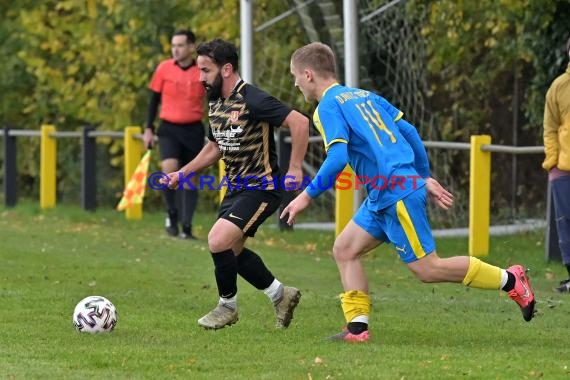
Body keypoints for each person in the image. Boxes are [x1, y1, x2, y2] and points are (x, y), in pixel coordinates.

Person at [281, 42, 536, 342]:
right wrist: (423, 176)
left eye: (295, 76)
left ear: (308, 74)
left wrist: (305, 197)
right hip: (384, 194)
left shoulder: (326, 107)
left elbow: (337, 158)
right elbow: (410, 132)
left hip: (396, 193)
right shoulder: (365, 96)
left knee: (428, 269)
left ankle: (510, 279)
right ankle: (357, 329)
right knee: (345, 248)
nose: (296, 83)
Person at [164, 38, 310, 329]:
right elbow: (215, 146)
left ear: (226, 69)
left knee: (218, 240)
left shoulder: (252, 98)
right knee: (231, 253)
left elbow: (300, 122)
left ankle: (227, 306)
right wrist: (183, 173)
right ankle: (280, 295)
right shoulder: (217, 101)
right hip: (235, 189)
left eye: (205, 70)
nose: (200, 77)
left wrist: (295, 167)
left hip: (262, 187)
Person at [143, 29, 206, 239]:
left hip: (193, 128)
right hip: (169, 128)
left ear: (191, 47)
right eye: (173, 45)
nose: (175, 50)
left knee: (190, 177)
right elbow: (153, 100)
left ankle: (187, 227)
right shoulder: (163, 69)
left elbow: (214, 98)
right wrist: (148, 128)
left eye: (180, 45)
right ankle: (172, 214)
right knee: (168, 169)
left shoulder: (202, 70)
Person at [543, 37, 570, 293]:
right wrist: (553, 162)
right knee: (566, 223)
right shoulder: (558, 87)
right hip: (563, 170)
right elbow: (550, 127)